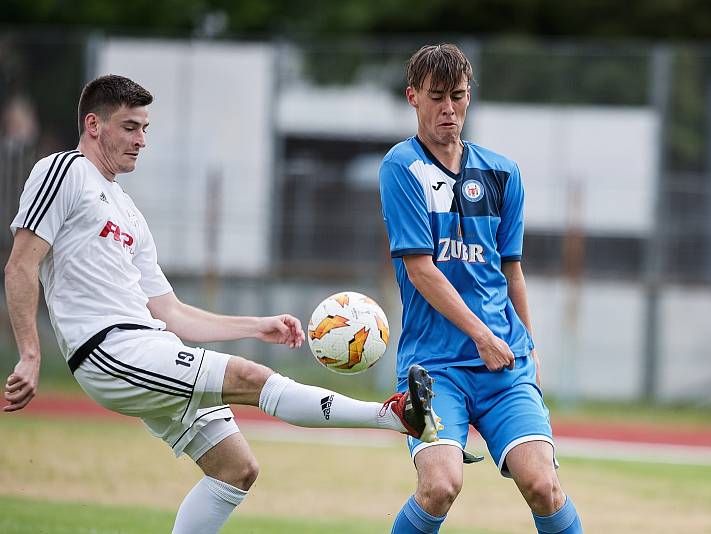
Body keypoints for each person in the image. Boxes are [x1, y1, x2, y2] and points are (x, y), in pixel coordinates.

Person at [3, 74, 440, 534]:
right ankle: (392, 415)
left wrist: (256, 325)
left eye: (145, 128)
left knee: (236, 468)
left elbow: (171, 312)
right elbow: (20, 266)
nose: (141, 140)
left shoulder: (129, 211)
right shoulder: (64, 171)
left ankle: (394, 416)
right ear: (93, 124)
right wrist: (30, 354)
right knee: (251, 377)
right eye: (131, 127)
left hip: (148, 343)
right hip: (107, 349)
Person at [379, 44, 583, 534]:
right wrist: (481, 336)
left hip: (503, 363)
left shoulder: (503, 172)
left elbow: (511, 270)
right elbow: (422, 269)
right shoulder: (401, 167)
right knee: (439, 486)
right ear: (413, 97)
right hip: (432, 370)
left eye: (458, 96)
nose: (449, 109)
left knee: (543, 485)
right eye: (436, 97)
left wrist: (525, 342)